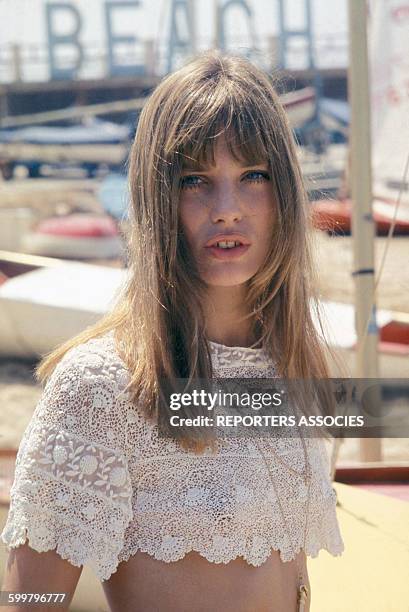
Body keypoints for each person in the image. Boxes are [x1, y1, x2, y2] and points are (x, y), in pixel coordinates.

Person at [1, 51, 344, 612]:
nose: (227, 209)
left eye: (253, 176)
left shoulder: (286, 366)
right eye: (196, 181)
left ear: (284, 192)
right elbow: (27, 602)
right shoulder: (100, 387)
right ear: (159, 201)